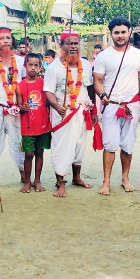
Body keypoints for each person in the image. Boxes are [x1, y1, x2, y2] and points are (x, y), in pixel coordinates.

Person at [93, 17, 140, 195]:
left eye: (123, 32)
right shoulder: (103, 56)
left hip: (131, 105)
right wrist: (102, 95)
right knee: (109, 144)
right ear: (111, 34)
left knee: (128, 144)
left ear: (129, 32)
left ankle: (125, 178)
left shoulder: (138, 55)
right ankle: (106, 181)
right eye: (116, 32)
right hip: (111, 104)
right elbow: (97, 81)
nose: (120, 36)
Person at [44, 29, 95, 198]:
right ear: (61, 45)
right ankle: (60, 183)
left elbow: (90, 88)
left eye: (75, 43)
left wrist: (93, 109)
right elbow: (48, 92)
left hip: (82, 112)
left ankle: (77, 178)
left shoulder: (86, 65)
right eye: (69, 43)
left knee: (79, 146)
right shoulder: (54, 68)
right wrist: (58, 107)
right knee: (61, 147)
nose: (73, 47)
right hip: (63, 114)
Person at [0, 27, 26, 190]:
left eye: (8, 38)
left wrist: (20, 105)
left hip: (15, 108)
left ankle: (23, 174)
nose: (6, 41)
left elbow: (21, 85)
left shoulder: (21, 61)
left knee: (18, 142)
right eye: (2, 38)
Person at [16, 53, 52, 193]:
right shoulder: (20, 85)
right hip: (28, 126)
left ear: (39, 67)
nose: (32, 68)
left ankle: (37, 181)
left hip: (43, 124)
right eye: (30, 65)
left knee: (39, 152)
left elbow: (48, 100)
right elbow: (18, 105)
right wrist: (22, 107)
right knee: (29, 154)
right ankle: (27, 181)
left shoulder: (44, 83)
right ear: (25, 66)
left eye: (35, 65)